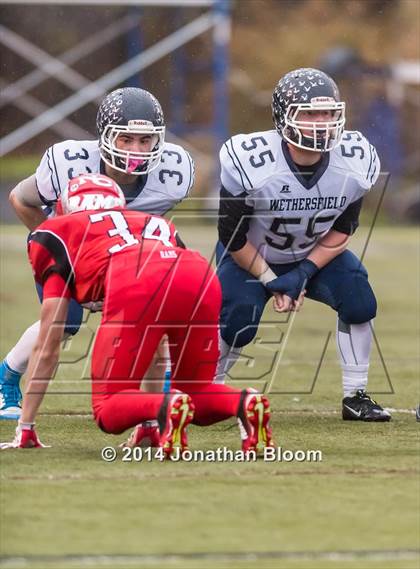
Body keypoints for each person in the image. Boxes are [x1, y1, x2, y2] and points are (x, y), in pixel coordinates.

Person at [0, 174, 274, 454]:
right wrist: (148, 423)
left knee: (107, 407)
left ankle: (163, 408)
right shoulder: (156, 223)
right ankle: (244, 401)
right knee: (197, 392)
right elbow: (157, 347)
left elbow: (48, 345)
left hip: (135, 278)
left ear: (67, 207)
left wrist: (26, 426)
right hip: (198, 272)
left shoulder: (56, 232)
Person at [1, 87, 194, 434]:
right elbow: (20, 198)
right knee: (64, 323)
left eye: (145, 140)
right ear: (105, 137)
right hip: (73, 256)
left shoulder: (174, 173)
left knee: (157, 314)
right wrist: (60, 247)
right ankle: (7, 377)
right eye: (125, 139)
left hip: (129, 261)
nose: (136, 150)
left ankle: (159, 401)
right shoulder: (68, 161)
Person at [215, 67, 391, 422]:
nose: (321, 123)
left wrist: (305, 271)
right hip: (249, 254)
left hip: (314, 253)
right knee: (239, 323)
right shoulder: (251, 161)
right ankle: (208, 390)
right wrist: (269, 278)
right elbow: (231, 237)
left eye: (328, 113)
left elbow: (344, 227)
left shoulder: (353, 162)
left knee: (359, 298)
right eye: (310, 113)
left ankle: (355, 395)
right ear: (284, 116)